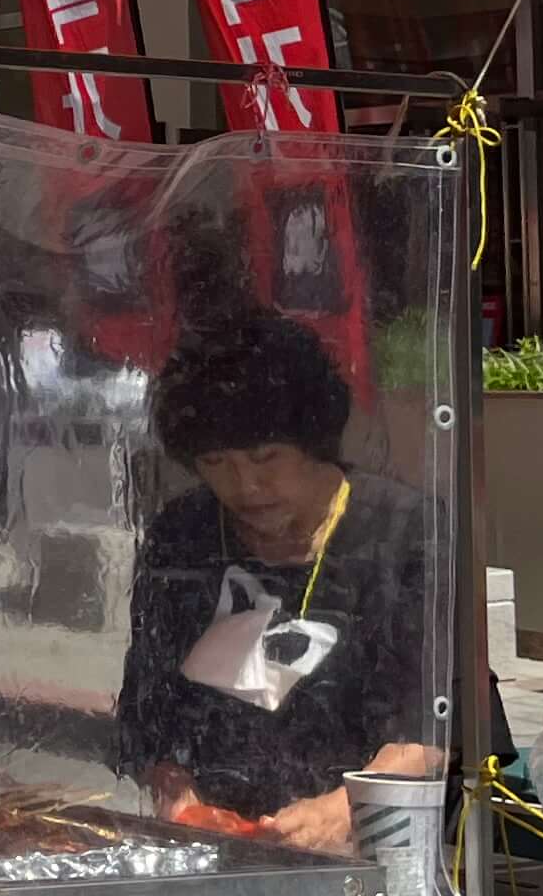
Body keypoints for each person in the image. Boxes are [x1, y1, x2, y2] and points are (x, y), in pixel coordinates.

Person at [115, 312, 446, 852]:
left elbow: (432, 724)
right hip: (225, 846)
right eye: (217, 462)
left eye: (266, 457)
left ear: (311, 441)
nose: (245, 484)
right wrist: (179, 797)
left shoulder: (406, 532)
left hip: (375, 846)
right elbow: (148, 714)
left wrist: (346, 807)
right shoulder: (184, 534)